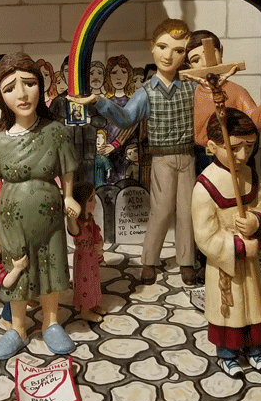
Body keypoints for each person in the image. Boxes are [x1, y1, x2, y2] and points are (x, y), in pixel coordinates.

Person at [71, 19, 197, 286]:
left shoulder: (191, 86)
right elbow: (126, 118)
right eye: (162, 47)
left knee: (187, 211)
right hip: (162, 157)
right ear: (152, 47)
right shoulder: (146, 92)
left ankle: (187, 260)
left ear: (185, 55)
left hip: (187, 156)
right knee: (161, 210)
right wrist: (99, 101)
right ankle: (149, 260)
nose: (168, 55)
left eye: (178, 50)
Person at [0, 52, 80, 360]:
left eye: (29, 84)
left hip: (50, 215)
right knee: (16, 266)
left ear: (41, 86)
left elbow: (67, 168)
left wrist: (69, 196)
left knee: (50, 265)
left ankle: (51, 322)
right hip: (10, 217)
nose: (21, 94)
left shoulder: (55, 131)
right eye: (10, 88)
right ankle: (17, 327)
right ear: (0, 96)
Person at [192, 109, 261, 377]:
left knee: (252, 307)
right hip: (225, 266)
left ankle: (255, 349)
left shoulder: (253, 178)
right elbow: (205, 235)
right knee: (229, 309)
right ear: (212, 146)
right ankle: (227, 354)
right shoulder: (205, 187)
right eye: (234, 148)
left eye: (249, 147)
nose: (242, 155)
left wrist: (257, 223)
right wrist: (238, 247)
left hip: (250, 265)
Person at [67, 181, 104, 323]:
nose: (94, 203)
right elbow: (72, 228)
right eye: (90, 199)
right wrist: (71, 214)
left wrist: (100, 244)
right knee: (85, 284)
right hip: (83, 260)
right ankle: (85, 310)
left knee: (94, 281)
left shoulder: (90, 219)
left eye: (94, 198)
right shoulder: (77, 223)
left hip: (92, 257)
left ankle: (94, 304)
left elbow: (96, 234)